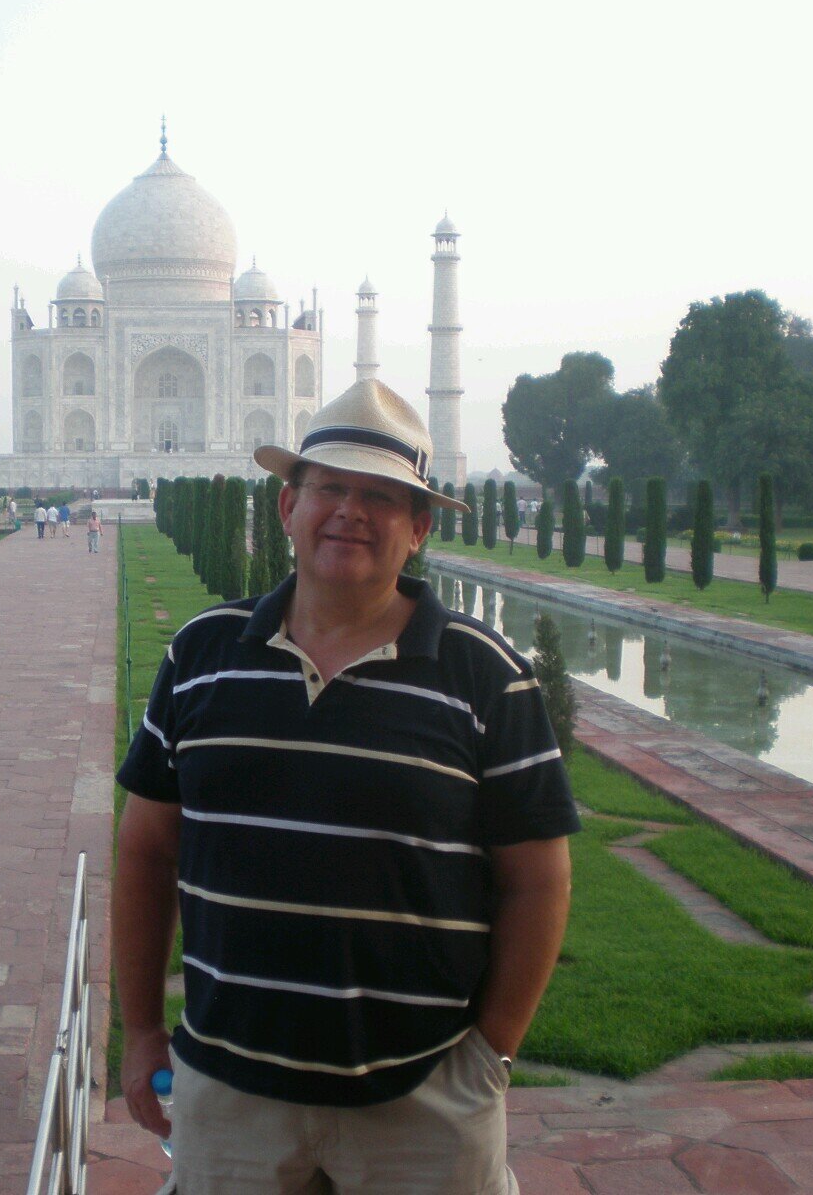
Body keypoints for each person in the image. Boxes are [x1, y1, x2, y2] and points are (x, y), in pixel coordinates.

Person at [114, 378, 578, 1193]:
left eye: (381, 497)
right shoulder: (202, 655)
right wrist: (142, 1028)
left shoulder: (485, 676)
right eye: (330, 488)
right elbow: (148, 852)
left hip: (425, 1096)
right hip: (230, 1088)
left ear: (419, 526)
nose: (349, 513)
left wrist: (489, 1055)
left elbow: (538, 882)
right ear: (289, 505)